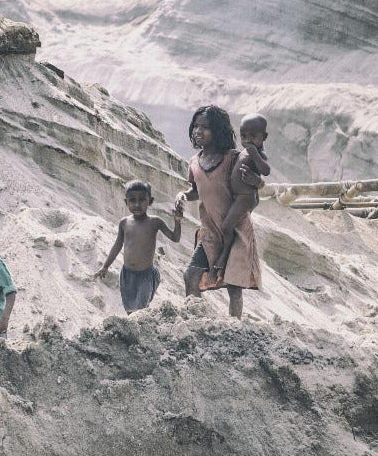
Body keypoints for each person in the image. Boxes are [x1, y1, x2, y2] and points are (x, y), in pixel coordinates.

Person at [176, 106, 264, 319]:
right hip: (209, 233)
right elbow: (196, 191)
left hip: (236, 230)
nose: (198, 131)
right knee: (191, 276)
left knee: (234, 287)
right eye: (195, 126)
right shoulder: (194, 162)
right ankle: (195, 321)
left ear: (219, 130)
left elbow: (252, 190)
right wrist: (183, 196)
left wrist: (259, 182)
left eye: (205, 127)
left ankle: (234, 326)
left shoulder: (234, 158)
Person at [93, 180, 183, 314]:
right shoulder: (124, 223)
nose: (137, 204)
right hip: (127, 274)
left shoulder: (155, 222)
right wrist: (106, 266)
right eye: (132, 200)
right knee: (130, 310)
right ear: (126, 202)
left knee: (140, 311)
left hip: (145, 275)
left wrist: (177, 221)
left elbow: (175, 238)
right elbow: (117, 245)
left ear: (150, 201)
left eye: (142, 200)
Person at [208, 114, 271, 281]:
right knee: (228, 225)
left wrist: (255, 154)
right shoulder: (242, 151)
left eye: (253, 136)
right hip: (237, 197)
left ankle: (224, 256)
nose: (248, 140)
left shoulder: (259, 153)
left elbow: (266, 170)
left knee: (227, 226)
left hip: (246, 197)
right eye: (244, 136)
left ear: (264, 137)